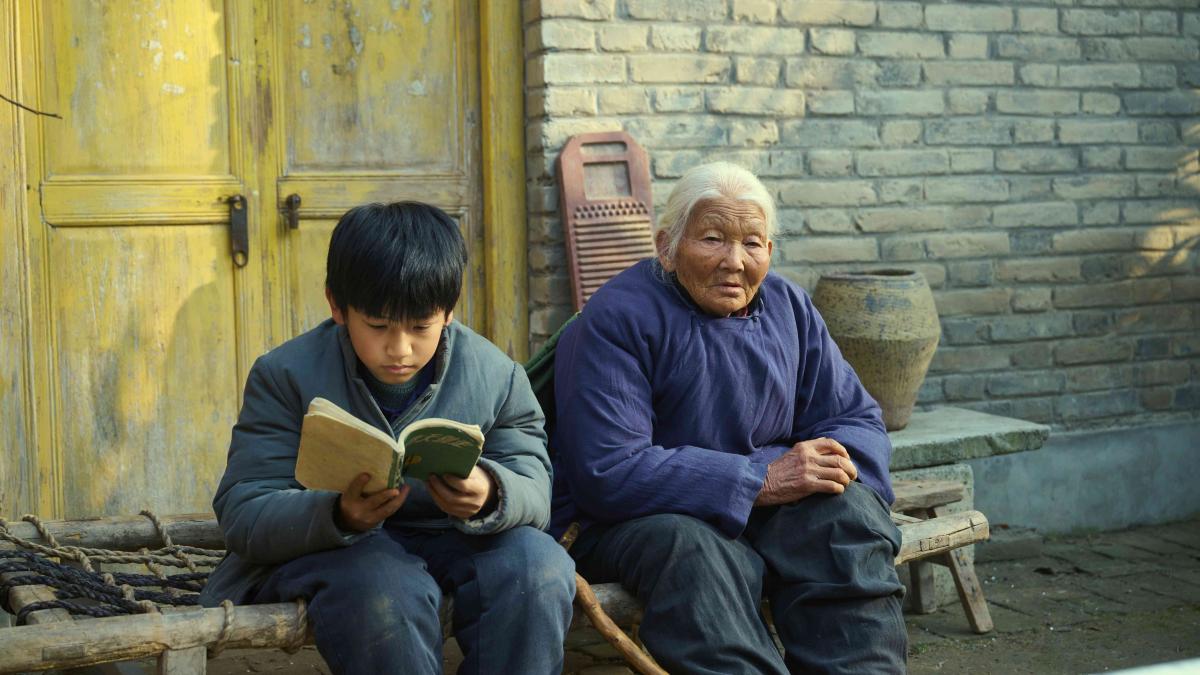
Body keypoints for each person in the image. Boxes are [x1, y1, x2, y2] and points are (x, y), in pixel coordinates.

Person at [551, 162, 906, 674]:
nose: (734, 262)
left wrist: (823, 471)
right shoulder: (617, 318)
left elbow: (854, 418)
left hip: (764, 504)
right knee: (695, 552)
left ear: (770, 251)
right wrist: (759, 479)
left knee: (845, 518)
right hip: (640, 518)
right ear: (667, 247)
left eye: (752, 243)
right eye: (713, 239)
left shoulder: (788, 307)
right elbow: (609, 469)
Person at [200, 202, 575, 674]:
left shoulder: (497, 376)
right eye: (378, 326)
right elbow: (244, 510)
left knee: (538, 568)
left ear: (449, 311)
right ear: (337, 306)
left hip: (452, 535)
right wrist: (337, 514)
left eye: (421, 327)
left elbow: (535, 485)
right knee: (386, 591)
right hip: (338, 550)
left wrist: (491, 492)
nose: (400, 349)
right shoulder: (284, 376)